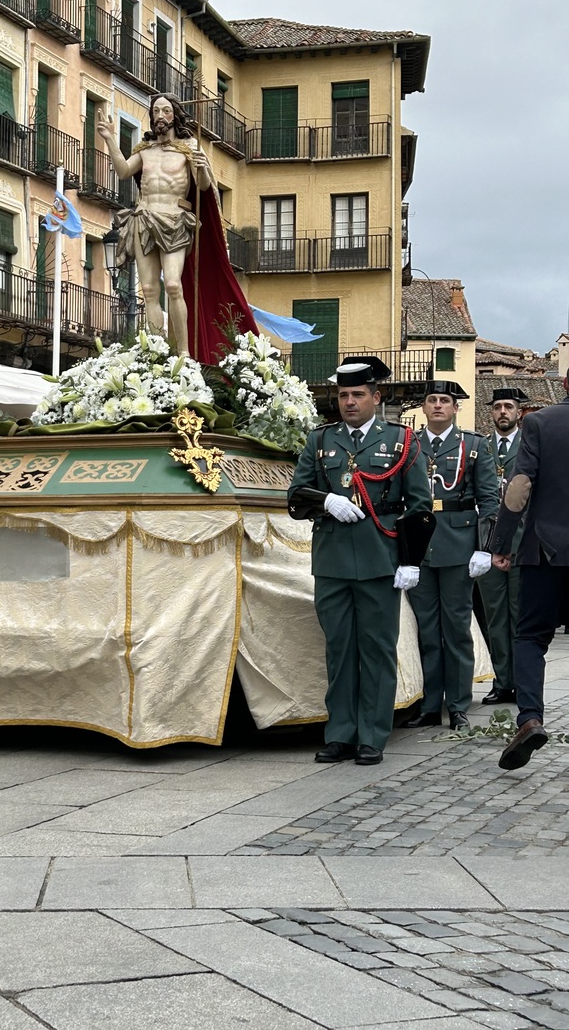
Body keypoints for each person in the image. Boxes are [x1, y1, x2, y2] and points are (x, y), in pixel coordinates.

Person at [287, 357, 433, 765]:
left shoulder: (402, 441)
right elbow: (296, 496)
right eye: (343, 395)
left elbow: (419, 507)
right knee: (339, 648)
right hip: (332, 561)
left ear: (375, 397)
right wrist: (326, 500)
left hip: (379, 559)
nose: (349, 402)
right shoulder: (320, 441)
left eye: (357, 395)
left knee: (376, 649)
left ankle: (372, 735)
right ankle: (341, 733)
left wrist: (410, 560)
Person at [96, 93, 257, 361]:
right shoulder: (144, 151)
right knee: (148, 290)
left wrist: (204, 168)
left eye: (166, 111)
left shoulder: (189, 147)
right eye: (156, 110)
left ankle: (183, 353)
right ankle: (158, 353)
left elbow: (203, 187)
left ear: (175, 115)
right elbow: (124, 171)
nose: (160, 116)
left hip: (176, 221)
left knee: (173, 285)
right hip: (144, 219)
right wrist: (111, 139)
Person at [403, 380, 500, 731]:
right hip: (420, 546)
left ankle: (457, 704)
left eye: (445, 400)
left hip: (459, 544)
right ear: (424, 408)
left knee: (456, 629)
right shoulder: (409, 445)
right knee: (426, 629)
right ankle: (430, 705)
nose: (439, 406)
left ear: (455, 408)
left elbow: (489, 500)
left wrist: (484, 547)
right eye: (432, 400)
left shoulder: (473, 446)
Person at [493, 370, 569, 770]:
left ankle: (530, 719)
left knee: (530, 638)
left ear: (565, 386)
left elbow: (519, 486)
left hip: (545, 550)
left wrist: (501, 545)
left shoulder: (539, 422)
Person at [477, 387, 527, 705]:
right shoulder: (481, 448)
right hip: (486, 540)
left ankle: (522, 681)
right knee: (494, 615)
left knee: (519, 615)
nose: (503, 412)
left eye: (508, 406)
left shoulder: (531, 445)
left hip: (523, 542)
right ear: (491, 413)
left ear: (519, 412)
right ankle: (501, 680)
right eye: (497, 407)